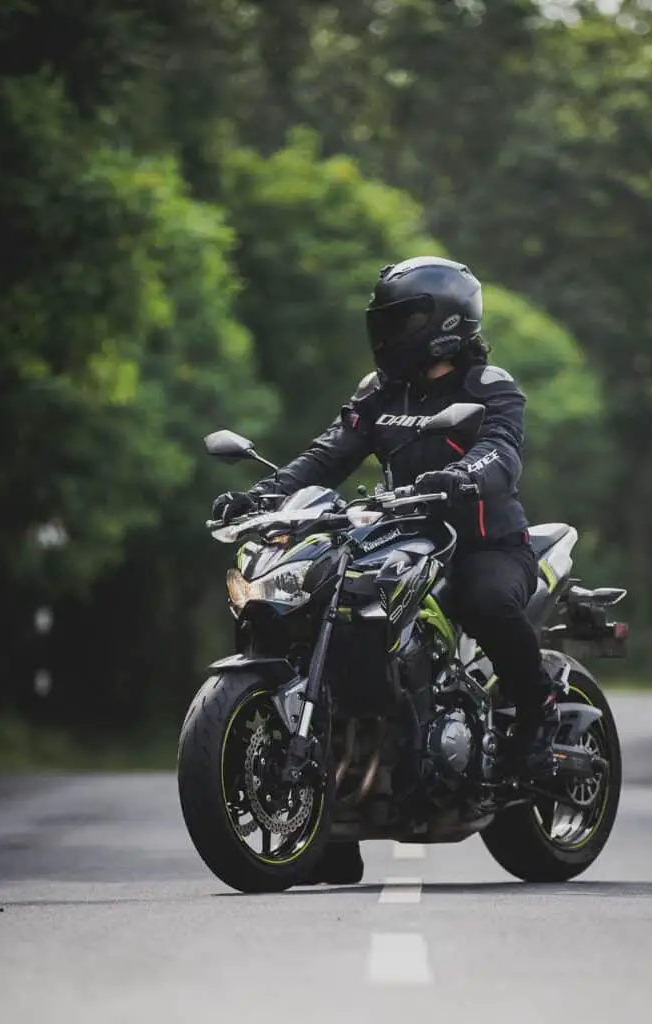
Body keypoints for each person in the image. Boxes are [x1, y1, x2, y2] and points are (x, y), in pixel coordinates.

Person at [212, 256, 561, 884]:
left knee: (486, 603)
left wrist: (461, 477)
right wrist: (265, 495)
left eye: (402, 319)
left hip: (484, 544)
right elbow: (329, 455)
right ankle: (329, 821)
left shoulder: (489, 385)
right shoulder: (378, 391)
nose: (388, 332)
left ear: (445, 321)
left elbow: (501, 454)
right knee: (328, 614)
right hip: (401, 535)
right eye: (386, 320)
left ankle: (537, 716)